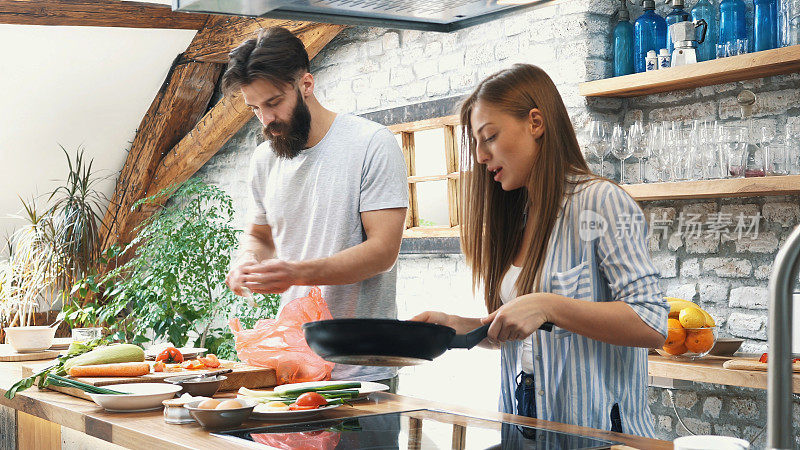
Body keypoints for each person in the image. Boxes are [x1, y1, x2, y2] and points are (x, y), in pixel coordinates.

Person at [412, 64, 668, 437]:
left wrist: (549, 305)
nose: (481, 156)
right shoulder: (518, 214)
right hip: (523, 424)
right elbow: (526, 332)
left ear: (536, 123)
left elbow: (652, 322)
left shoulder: (600, 202)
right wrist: (460, 328)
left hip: (599, 435)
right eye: (477, 144)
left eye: (490, 137)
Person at [223, 27, 409, 388]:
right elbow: (260, 236)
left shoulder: (371, 144)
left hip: (363, 369)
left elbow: (382, 252)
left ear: (307, 84)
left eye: (274, 102)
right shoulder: (264, 159)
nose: (266, 119)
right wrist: (248, 260)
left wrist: (295, 273)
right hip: (293, 365)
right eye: (254, 108)